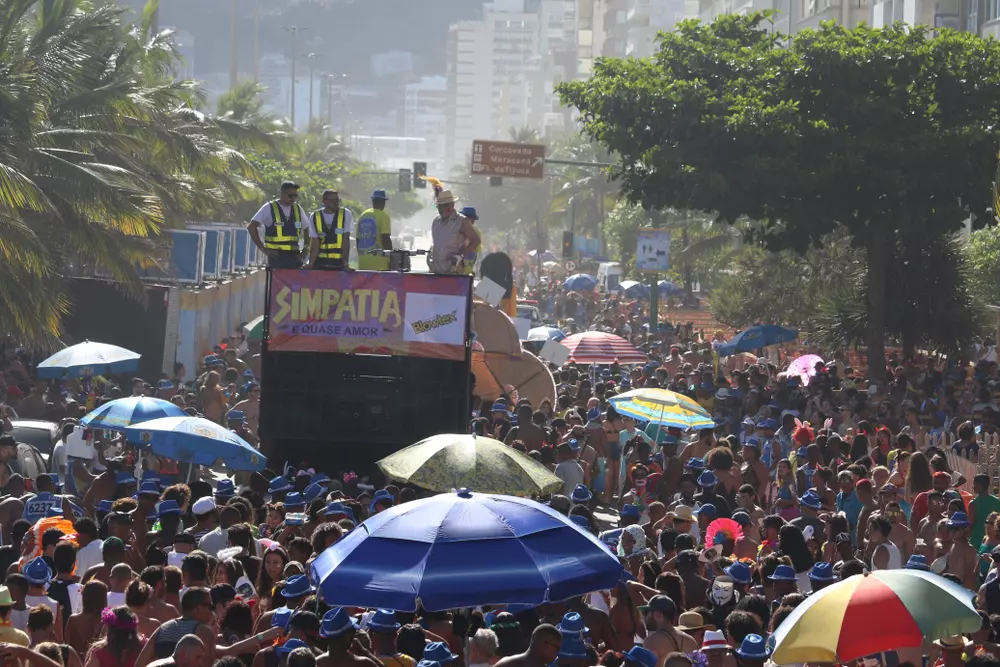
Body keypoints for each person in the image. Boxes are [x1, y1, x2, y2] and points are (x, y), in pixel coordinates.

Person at [248, 181, 315, 269]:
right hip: (276, 258)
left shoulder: (297, 208)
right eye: (290, 196)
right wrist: (263, 248)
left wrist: (305, 249)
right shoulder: (269, 207)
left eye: (295, 196)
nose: (293, 199)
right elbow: (251, 227)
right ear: (282, 193)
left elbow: (307, 229)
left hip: (294, 256)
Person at [429, 190, 480, 275]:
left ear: (452, 205)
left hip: (454, 272)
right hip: (437, 272)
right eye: (439, 206)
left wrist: (461, 256)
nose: (441, 209)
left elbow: (476, 240)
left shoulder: (462, 221)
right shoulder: (436, 222)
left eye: (444, 205)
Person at [640, 595, 697, 666]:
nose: (644, 617)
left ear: (658, 614)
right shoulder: (691, 641)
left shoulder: (651, 642)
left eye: (646, 613)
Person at [307, 189, 353, 271]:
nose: (336, 203)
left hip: (338, 264)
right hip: (320, 264)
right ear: (325, 201)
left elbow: (345, 240)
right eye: (333, 200)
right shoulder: (314, 216)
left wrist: (345, 263)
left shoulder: (345, 214)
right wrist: (310, 264)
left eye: (338, 200)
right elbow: (315, 243)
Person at [491, 623, 562, 667]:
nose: (557, 653)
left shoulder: (506, 663)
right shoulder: (506, 664)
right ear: (546, 645)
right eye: (557, 648)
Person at [356, 190, 393, 271]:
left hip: (363, 263)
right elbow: (385, 239)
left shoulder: (363, 215)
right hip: (379, 263)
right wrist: (391, 258)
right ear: (383, 202)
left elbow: (358, 240)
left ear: (373, 201)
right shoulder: (384, 216)